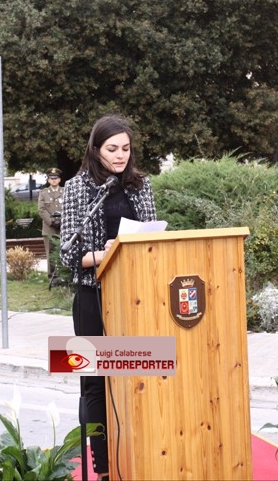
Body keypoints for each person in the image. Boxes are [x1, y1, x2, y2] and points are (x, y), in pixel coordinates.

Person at [60, 114, 158, 480]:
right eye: (112, 149)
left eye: (126, 149)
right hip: (93, 297)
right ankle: (102, 468)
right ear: (96, 149)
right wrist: (107, 253)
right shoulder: (78, 188)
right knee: (96, 383)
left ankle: (144, 457)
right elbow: (69, 255)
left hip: (137, 297)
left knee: (141, 375)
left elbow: (154, 238)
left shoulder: (140, 186)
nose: (120, 156)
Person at [38, 167, 64, 278]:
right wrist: (52, 222)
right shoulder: (43, 193)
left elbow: (69, 208)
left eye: (56, 178)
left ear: (59, 179)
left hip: (63, 227)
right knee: (51, 253)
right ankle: (52, 276)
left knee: (64, 251)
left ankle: (64, 275)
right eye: (51, 178)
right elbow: (41, 210)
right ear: (48, 180)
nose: (54, 180)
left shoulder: (65, 191)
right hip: (49, 228)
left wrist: (62, 221)